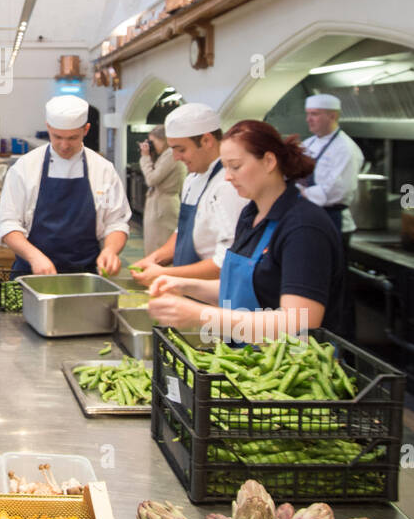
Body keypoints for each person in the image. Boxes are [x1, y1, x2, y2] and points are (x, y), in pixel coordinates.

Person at [147, 119, 345, 340]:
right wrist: (184, 286)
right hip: (250, 355)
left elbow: (299, 321)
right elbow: (239, 287)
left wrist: (201, 314)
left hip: (293, 365)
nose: (228, 176)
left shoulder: (304, 228)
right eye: (226, 167)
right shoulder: (250, 215)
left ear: (269, 161)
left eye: (236, 166)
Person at [0, 95, 131, 277]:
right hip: (32, 274)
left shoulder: (103, 170)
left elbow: (115, 222)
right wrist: (34, 257)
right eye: (57, 137)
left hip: (85, 276)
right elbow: (8, 223)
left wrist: (110, 251)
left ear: (86, 129)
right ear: (48, 127)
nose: (64, 145)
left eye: (72, 138)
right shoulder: (25, 168)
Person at [131, 103, 245, 287]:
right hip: (187, 286)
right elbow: (182, 233)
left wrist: (166, 273)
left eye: (181, 149)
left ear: (207, 141)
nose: (176, 157)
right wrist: (154, 259)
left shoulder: (229, 186)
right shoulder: (193, 178)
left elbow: (226, 263)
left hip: (214, 293)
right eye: (172, 149)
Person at [299, 94, 364, 245]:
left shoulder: (346, 149)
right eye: (307, 114)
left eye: (314, 114)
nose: (308, 119)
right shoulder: (308, 143)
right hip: (309, 218)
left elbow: (337, 191)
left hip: (333, 221)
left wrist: (300, 193)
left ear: (332, 116)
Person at [138, 125, 185, 256]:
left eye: (152, 142)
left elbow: (151, 179)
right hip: (160, 204)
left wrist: (145, 158)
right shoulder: (166, 155)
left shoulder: (170, 155)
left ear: (163, 139)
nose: (151, 145)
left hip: (163, 208)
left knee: (159, 247)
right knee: (154, 244)